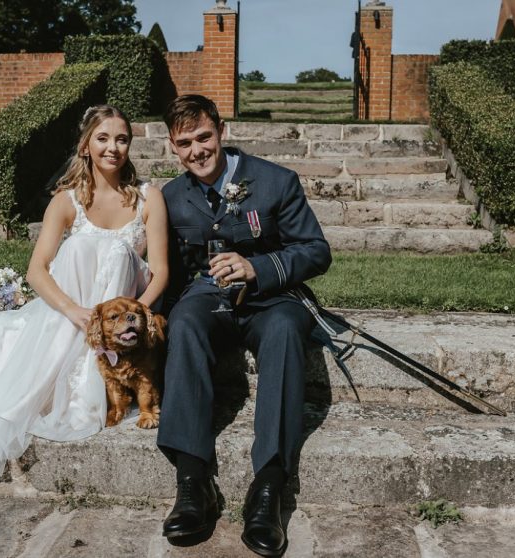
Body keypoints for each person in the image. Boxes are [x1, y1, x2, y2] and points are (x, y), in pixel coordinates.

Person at [0, 105, 168, 485]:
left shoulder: (147, 197)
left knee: (117, 251)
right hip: (76, 312)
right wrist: (75, 312)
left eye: (122, 139)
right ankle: (70, 368)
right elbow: (36, 271)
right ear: (86, 145)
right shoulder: (66, 200)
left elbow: (161, 271)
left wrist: (137, 314)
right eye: (103, 138)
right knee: (77, 248)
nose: (113, 147)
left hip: (125, 309)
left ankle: (101, 362)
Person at [157, 95, 331, 556]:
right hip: (207, 298)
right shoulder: (170, 197)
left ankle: (269, 489)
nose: (196, 150)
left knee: (284, 332)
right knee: (184, 323)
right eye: (185, 143)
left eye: (204, 137)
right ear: (173, 147)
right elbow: (168, 270)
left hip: (272, 298)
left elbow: (316, 251)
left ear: (222, 131)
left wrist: (260, 269)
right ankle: (194, 482)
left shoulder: (276, 181)